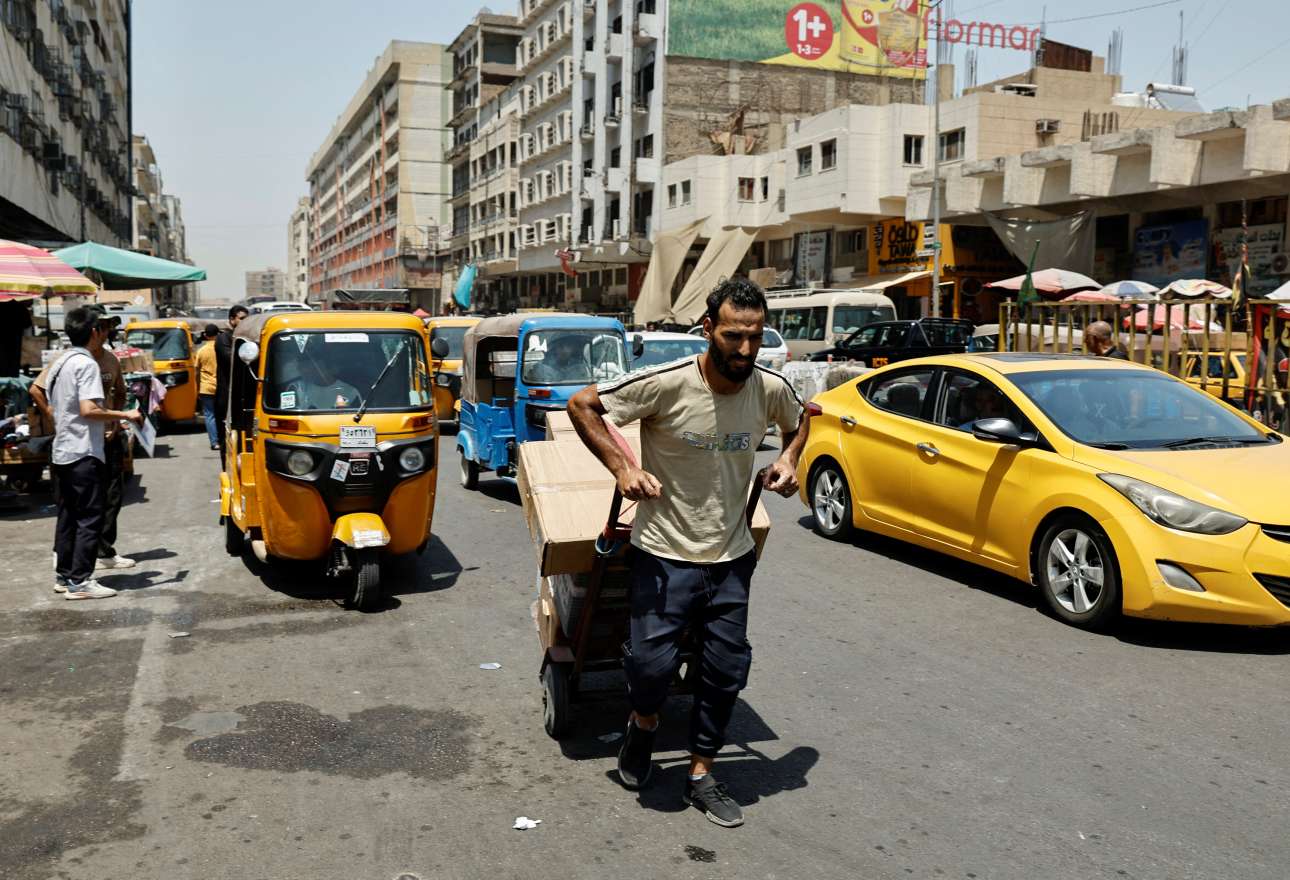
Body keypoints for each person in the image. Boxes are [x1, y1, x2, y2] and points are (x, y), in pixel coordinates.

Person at [567, 277, 808, 828]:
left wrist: (791, 460)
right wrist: (624, 467)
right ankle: (644, 725)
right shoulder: (666, 384)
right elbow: (584, 405)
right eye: (732, 336)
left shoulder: (768, 387)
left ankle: (701, 773)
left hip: (731, 558)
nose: (745, 350)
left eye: (754, 336)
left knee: (725, 672)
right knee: (650, 668)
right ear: (707, 331)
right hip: (663, 554)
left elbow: (801, 422)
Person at [45, 307, 143, 599]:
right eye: (103, 328)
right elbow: (89, 410)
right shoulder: (86, 365)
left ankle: (64, 576)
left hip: (62, 449)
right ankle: (80, 581)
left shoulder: (60, 362)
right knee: (89, 517)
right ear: (93, 332)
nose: (106, 333)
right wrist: (125, 414)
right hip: (83, 450)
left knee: (68, 516)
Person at [214, 304, 249, 461]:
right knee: (227, 438)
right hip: (226, 397)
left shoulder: (247, 338)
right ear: (232, 319)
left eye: (247, 318)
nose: (245, 321)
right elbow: (232, 360)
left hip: (243, 397)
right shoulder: (223, 338)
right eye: (242, 318)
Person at [195, 323, 220, 450]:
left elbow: (197, 371)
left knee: (210, 415)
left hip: (206, 388)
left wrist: (198, 388)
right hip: (221, 387)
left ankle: (215, 442)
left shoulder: (201, 351)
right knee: (221, 414)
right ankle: (224, 440)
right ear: (218, 334)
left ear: (205, 335)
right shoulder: (222, 348)